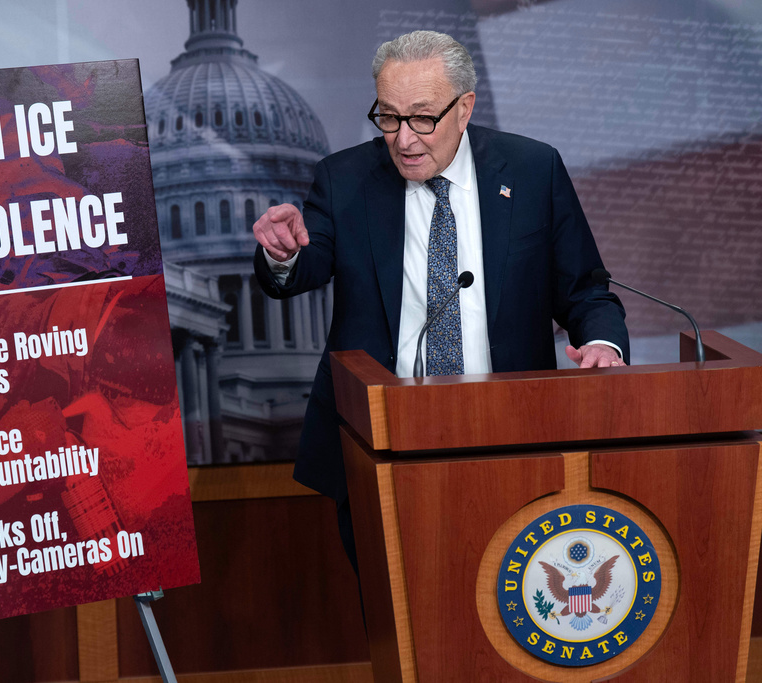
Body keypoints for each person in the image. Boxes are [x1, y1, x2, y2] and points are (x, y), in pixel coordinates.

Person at [251, 30, 629, 572]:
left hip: (511, 437)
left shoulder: (531, 170)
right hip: (380, 443)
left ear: (464, 108)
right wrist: (283, 253)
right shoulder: (345, 179)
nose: (404, 139)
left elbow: (585, 290)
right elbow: (299, 270)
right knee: (397, 627)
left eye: (422, 118)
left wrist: (601, 344)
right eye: (387, 117)